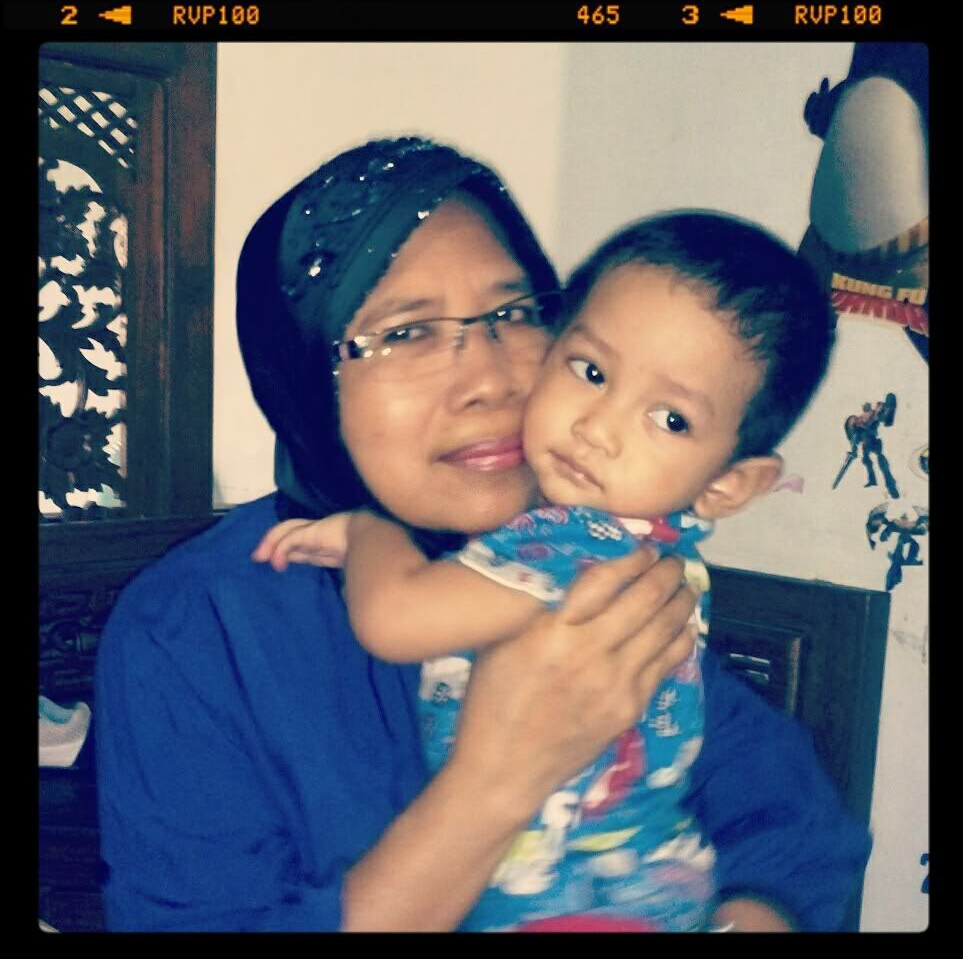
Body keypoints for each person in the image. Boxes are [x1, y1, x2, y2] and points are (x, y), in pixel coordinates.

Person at [94, 137, 871, 932]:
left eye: (512, 314)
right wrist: (495, 780)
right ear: (300, 371)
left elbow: (788, 818)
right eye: (405, 333)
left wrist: (749, 914)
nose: (490, 381)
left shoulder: (599, 556)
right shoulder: (194, 629)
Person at [252, 211, 834, 931]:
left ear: (728, 484)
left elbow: (395, 617)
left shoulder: (574, 545)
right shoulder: (659, 549)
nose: (598, 428)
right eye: (591, 372)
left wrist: (368, 534)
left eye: (670, 419)